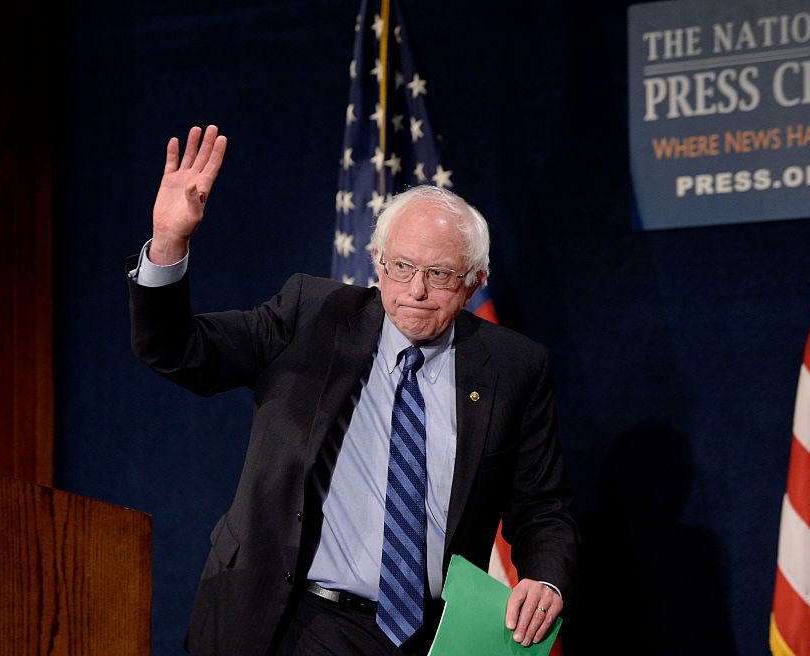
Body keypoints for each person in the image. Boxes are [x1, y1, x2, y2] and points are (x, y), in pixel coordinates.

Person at [128, 125, 579, 655]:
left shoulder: (513, 366)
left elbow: (543, 507)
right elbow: (179, 351)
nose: (415, 290)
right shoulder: (311, 314)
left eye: (438, 274)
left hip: (430, 636)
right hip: (292, 621)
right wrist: (169, 242)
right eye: (402, 266)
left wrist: (545, 580)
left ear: (475, 280)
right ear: (376, 262)